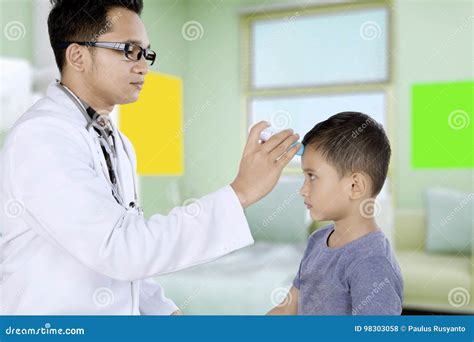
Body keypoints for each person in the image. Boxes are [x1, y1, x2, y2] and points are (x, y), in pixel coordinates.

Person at [0, 0, 301, 315]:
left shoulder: (116, 142)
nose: (144, 66)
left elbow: (124, 261)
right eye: (129, 51)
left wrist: (165, 313)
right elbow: (119, 249)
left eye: (146, 53)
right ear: (78, 56)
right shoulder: (42, 137)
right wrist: (241, 192)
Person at [267, 112, 403, 315]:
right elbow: (288, 307)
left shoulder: (372, 263)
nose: (302, 190)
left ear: (355, 186)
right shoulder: (318, 240)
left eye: (312, 177)